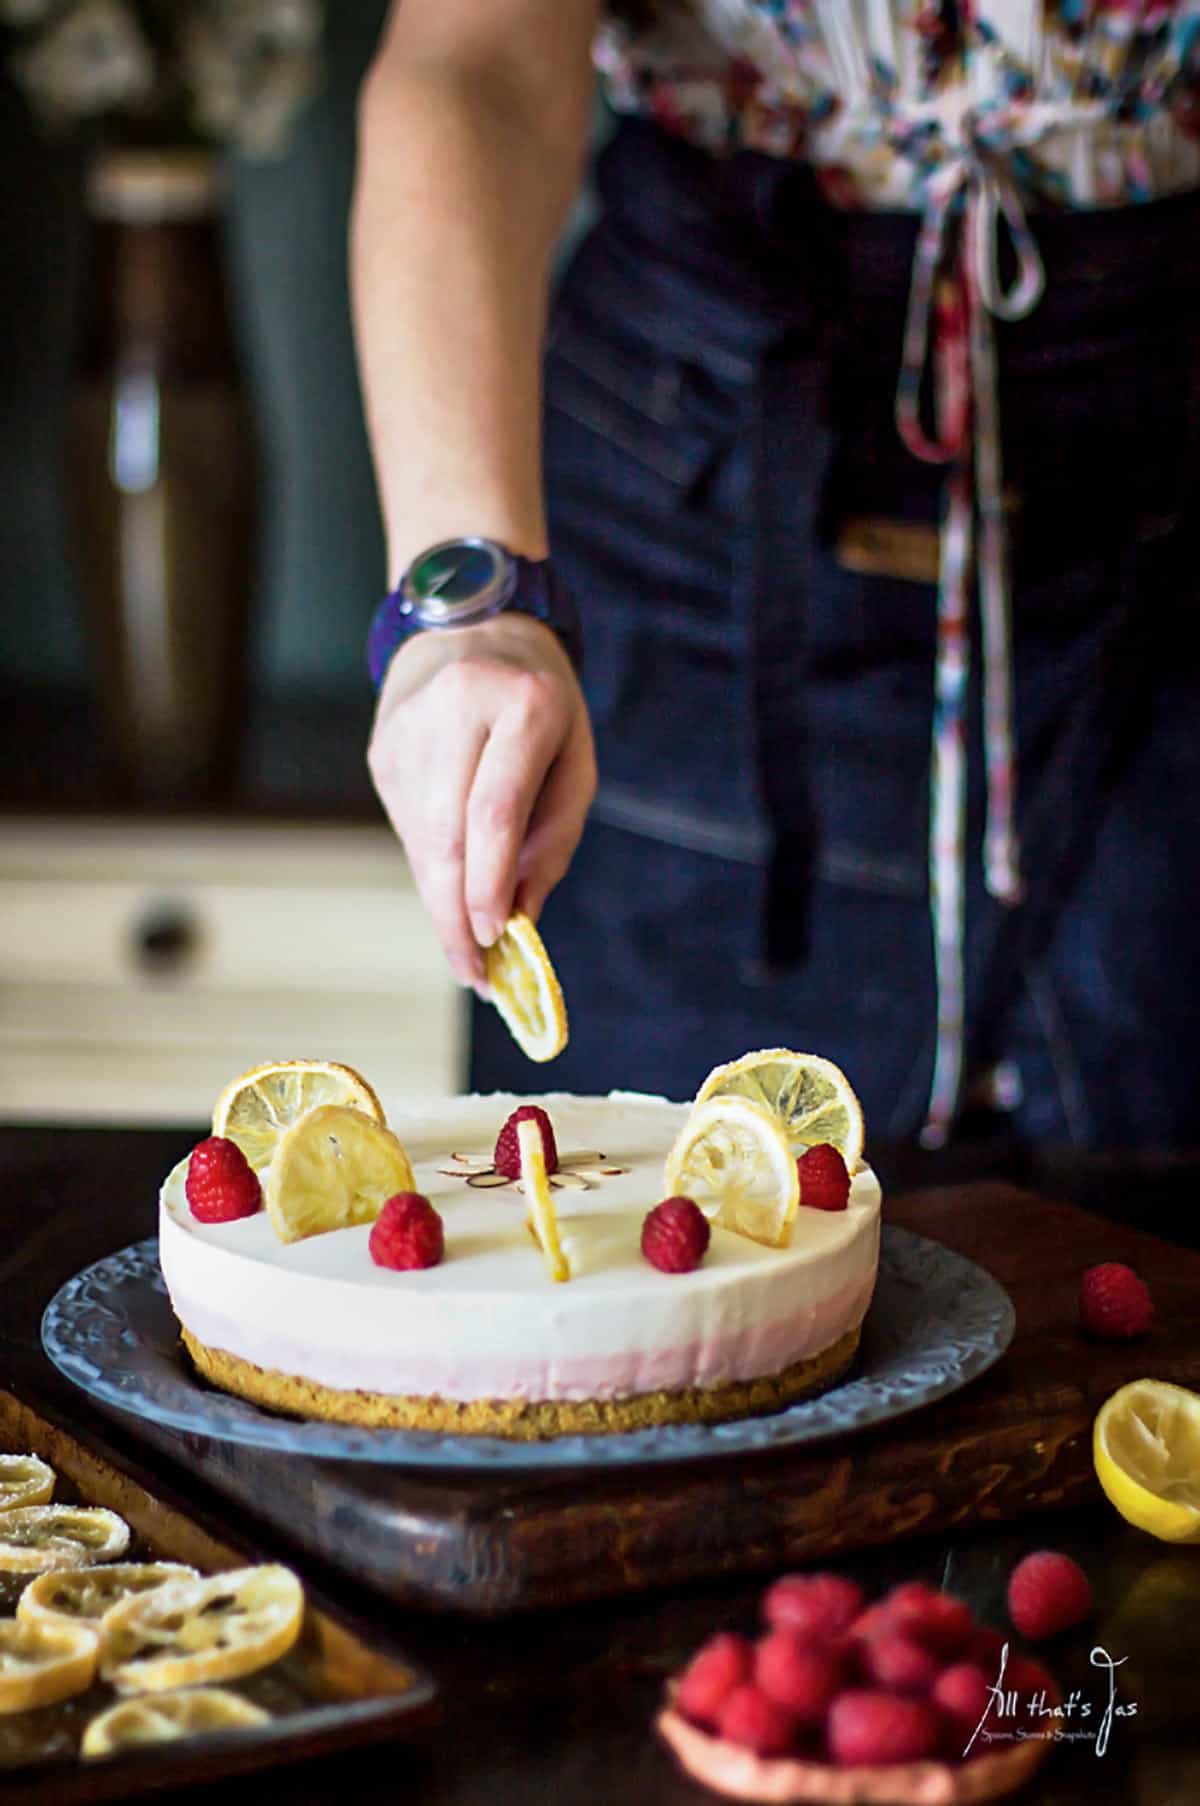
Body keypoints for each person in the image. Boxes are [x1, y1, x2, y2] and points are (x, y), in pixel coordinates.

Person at [351, 1, 1200, 1150]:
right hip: (702, 470)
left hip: (1164, 447)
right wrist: (473, 605)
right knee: (642, 1250)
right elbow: (480, 65)